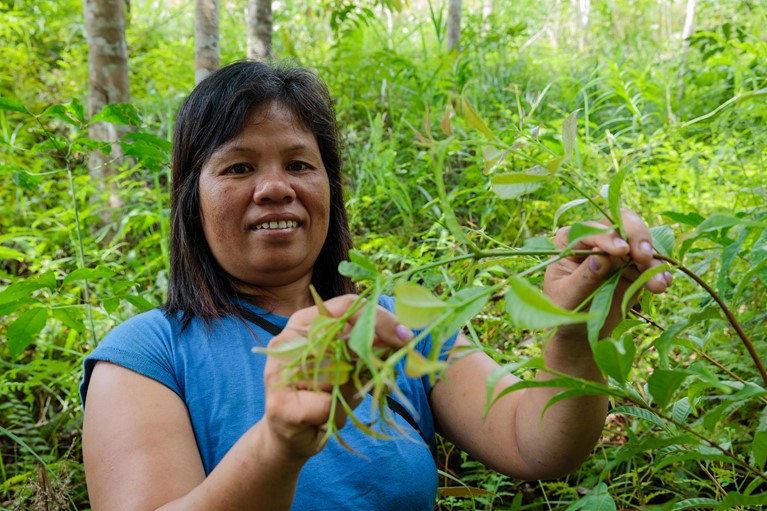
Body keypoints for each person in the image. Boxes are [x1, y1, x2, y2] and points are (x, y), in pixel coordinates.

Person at [80, 60, 672, 511]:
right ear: (191, 200)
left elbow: (535, 444)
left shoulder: (399, 323)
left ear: (329, 191)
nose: (275, 187)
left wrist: (572, 334)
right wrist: (280, 443)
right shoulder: (146, 355)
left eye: (299, 164)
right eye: (238, 168)